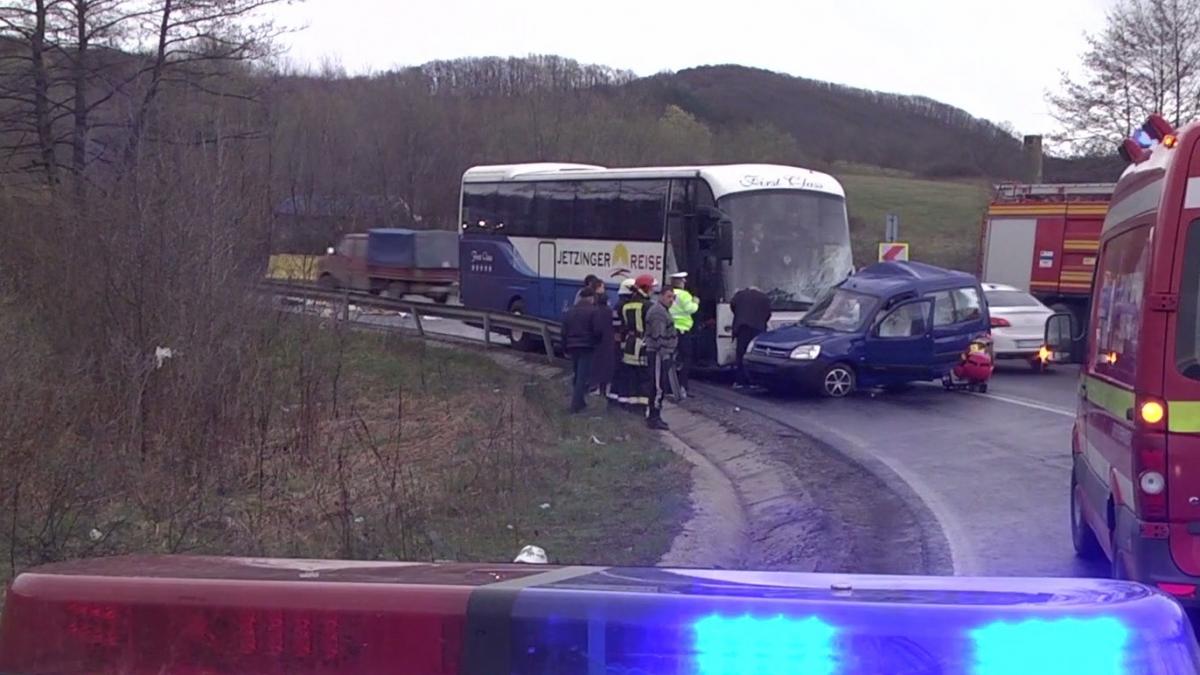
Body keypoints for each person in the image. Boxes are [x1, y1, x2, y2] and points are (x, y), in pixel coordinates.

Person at [562, 287, 607, 413]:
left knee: (577, 375)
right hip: (587, 346)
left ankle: (579, 402)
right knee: (582, 376)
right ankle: (575, 406)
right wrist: (597, 342)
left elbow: (564, 331)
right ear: (591, 298)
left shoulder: (570, 311)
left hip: (572, 346)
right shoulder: (593, 311)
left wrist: (564, 346)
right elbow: (598, 330)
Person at [644, 286, 678, 430]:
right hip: (658, 354)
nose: (671, 300)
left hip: (661, 353)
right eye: (669, 296)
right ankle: (654, 417)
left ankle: (655, 415)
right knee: (658, 386)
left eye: (673, 297)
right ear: (661, 296)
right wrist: (665, 354)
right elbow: (659, 337)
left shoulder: (662, 311)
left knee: (659, 384)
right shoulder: (658, 313)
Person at [730, 286, 772, 388]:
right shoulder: (764, 297)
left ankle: (740, 381)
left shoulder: (739, 295)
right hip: (758, 328)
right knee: (755, 355)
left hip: (743, 328)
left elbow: (732, 306)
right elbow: (768, 313)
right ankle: (755, 381)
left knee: (741, 353)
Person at [607, 278, 638, 408]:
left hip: (618, 343)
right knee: (623, 371)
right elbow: (620, 327)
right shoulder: (623, 306)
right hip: (622, 343)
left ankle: (614, 398)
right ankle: (622, 400)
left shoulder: (619, 304)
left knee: (618, 371)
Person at [667, 272, 698, 401]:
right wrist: (696, 303)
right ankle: (682, 386)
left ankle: (669, 387)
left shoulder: (668, 293)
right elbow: (690, 309)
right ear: (679, 282)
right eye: (683, 280)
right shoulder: (684, 295)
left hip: (671, 330)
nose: (685, 282)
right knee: (686, 359)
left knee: (670, 359)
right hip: (683, 330)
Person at [590, 283, 616, 397]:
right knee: (606, 367)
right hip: (609, 342)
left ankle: (597, 388)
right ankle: (604, 390)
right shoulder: (610, 312)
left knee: (597, 366)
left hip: (598, 342)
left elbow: (594, 328)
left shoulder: (595, 312)